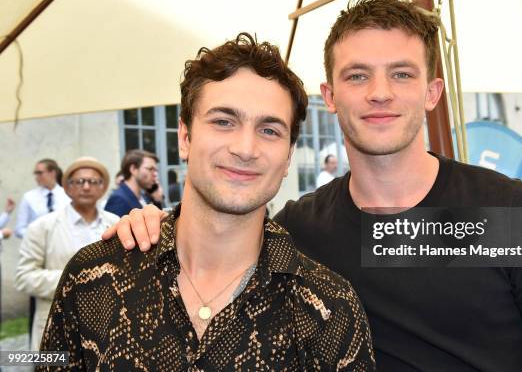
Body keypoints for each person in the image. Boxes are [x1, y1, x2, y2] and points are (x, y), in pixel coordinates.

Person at [107, 0, 522, 371]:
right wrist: (154, 225)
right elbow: (215, 242)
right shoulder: (295, 233)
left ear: (432, 92)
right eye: (358, 76)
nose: (381, 93)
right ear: (329, 95)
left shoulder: (513, 217)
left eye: (402, 74)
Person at [40, 33, 375, 370]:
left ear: (288, 157)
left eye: (269, 130)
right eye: (223, 122)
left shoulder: (329, 309)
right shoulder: (93, 276)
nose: (245, 148)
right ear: (185, 138)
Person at [15, 157, 118, 351]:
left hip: (105, 326)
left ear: (103, 188)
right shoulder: (42, 227)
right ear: (67, 188)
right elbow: (24, 276)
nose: (86, 187)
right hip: (56, 323)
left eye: (93, 182)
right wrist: (75, 281)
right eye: (79, 181)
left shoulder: (114, 224)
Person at [14, 159, 70, 239]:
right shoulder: (29, 197)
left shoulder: (68, 195)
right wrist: (37, 237)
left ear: (52, 173)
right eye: (36, 174)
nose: (36, 177)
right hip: (36, 247)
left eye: (39, 173)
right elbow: (19, 229)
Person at [104, 150, 163, 217]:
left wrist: (157, 200)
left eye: (155, 170)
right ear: (133, 169)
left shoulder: (144, 197)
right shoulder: (118, 200)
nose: (155, 174)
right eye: (150, 169)